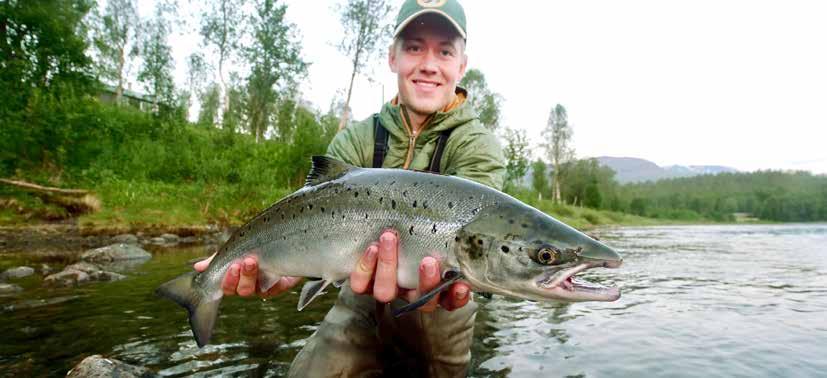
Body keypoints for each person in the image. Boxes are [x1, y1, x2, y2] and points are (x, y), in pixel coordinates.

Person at [195, 0, 505, 376]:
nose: (428, 64)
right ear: (393, 57)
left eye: (444, 51)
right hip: (355, 296)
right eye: (414, 47)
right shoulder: (355, 140)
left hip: (439, 307)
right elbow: (311, 222)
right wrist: (284, 271)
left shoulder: (477, 145)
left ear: (462, 65)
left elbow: (485, 236)